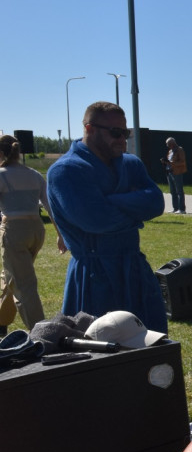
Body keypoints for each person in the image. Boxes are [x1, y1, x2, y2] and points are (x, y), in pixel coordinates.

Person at [46, 101, 168, 333]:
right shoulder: (66, 170)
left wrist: (111, 200)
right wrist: (134, 210)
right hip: (94, 276)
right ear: (89, 129)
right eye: (115, 132)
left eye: (126, 132)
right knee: (99, 352)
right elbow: (96, 220)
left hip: (135, 270)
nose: (122, 139)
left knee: (150, 346)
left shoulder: (131, 164)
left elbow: (156, 202)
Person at [0, 135, 60, 336]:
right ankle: (1, 320)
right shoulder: (34, 174)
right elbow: (50, 205)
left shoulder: (2, 175)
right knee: (11, 277)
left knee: (23, 284)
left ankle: (40, 332)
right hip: (36, 231)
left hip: (14, 230)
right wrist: (60, 235)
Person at [161, 137, 187, 215]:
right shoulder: (170, 151)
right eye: (167, 145)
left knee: (179, 191)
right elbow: (169, 161)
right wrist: (165, 162)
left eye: (169, 144)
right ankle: (175, 208)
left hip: (177, 172)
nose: (168, 146)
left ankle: (182, 209)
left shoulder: (180, 150)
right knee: (172, 191)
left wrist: (171, 163)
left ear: (173, 143)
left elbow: (182, 162)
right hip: (169, 172)